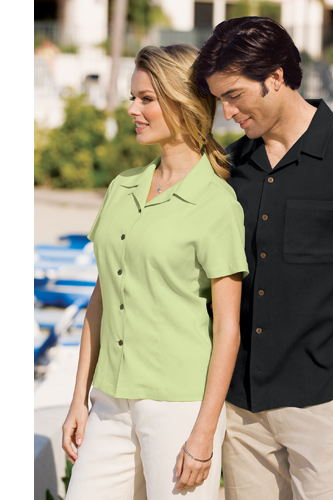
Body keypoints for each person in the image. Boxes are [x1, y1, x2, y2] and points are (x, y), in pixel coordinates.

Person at [195, 17, 333, 500]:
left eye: (234, 95)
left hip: (326, 409)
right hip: (242, 413)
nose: (227, 112)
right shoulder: (229, 168)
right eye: (219, 100)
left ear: (276, 77)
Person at [62, 44, 248, 500]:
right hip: (110, 398)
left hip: (178, 407)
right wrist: (80, 398)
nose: (132, 109)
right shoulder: (122, 187)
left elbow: (227, 328)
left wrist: (203, 432)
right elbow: (101, 299)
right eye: (133, 97)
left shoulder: (217, 203)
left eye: (146, 98)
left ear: (183, 103)